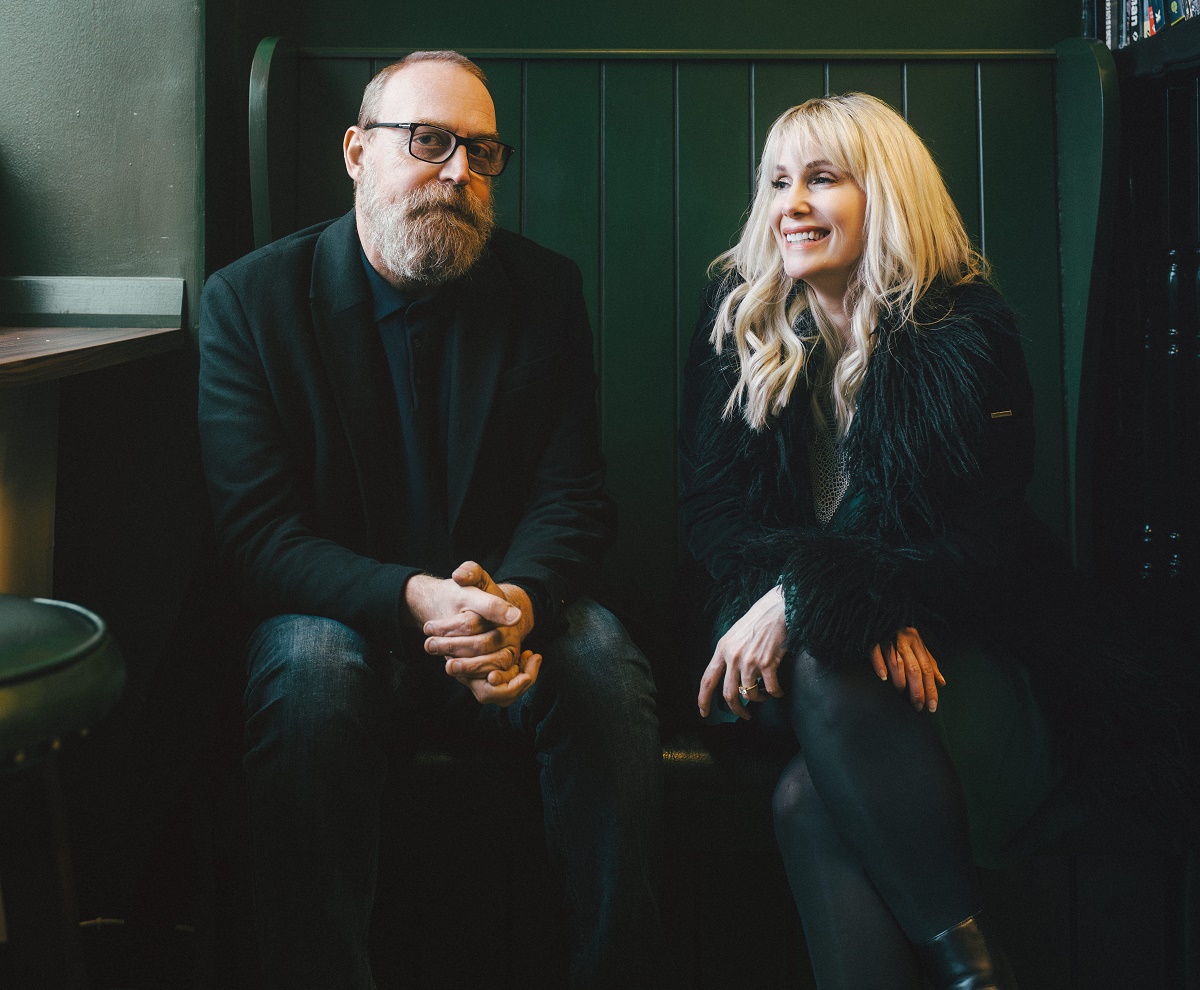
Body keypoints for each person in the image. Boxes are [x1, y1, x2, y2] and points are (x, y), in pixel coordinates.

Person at [679, 92, 1193, 990]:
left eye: (823, 179)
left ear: (886, 195)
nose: (791, 203)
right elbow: (719, 518)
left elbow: (979, 546)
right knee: (829, 656)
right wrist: (829, 598)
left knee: (809, 798)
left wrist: (816, 597)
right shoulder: (740, 323)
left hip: (963, 660)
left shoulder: (963, 331)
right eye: (777, 182)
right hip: (808, 673)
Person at [198, 50, 668, 990]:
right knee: (309, 663)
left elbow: (572, 496)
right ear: (355, 153)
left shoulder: (543, 292)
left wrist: (522, 601)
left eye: (482, 152)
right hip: (341, 620)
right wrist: (413, 599)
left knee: (606, 665)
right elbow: (258, 538)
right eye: (429, 141)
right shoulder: (250, 302)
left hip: (505, 620)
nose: (458, 171)